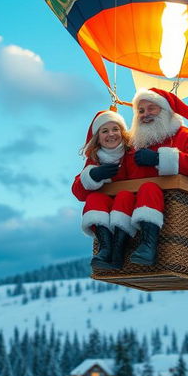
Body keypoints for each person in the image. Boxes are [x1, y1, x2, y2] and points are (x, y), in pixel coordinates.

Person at [125, 87, 188, 265]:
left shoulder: (186, 136)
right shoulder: (131, 145)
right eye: (140, 110)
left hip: (180, 210)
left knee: (149, 189)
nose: (145, 114)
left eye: (152, 108)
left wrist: (160, 158)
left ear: (165, 111)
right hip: (134, 210)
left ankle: (149, 247)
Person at [72, 110, 137, 271]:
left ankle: (119, 249)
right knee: (94, 198)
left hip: (130, 209)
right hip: (107, 214)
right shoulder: (95, 159)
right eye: (105, 131)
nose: (111, 134)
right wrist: (93, 175)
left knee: (124, 196)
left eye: (115, 129)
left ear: (122, 132)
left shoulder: (131, 153)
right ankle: (105, 246)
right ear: (98, 138)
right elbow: (78, 192)